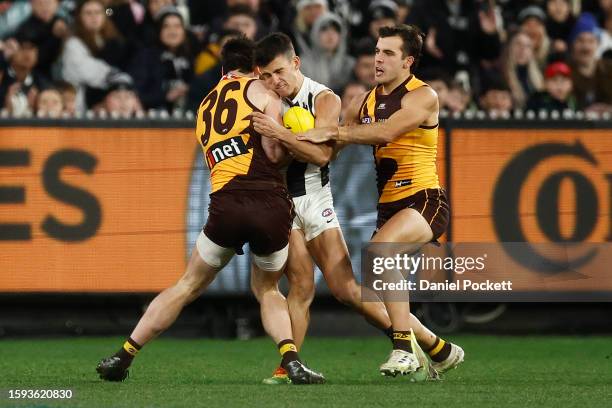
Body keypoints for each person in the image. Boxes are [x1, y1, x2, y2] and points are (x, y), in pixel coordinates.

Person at [96, 35, 325, 385]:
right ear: (256, 67)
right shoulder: (264, 92)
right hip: (268, 202)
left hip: (225, 205)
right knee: (267, 289)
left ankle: (124, 354)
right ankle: (290, 358)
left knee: (186, 285)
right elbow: (275, 155)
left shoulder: (203, 108)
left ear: (222, 68)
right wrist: (296, 138)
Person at [252, 29, 462, 382]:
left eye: (389, 53)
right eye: (378, 51)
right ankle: (437, 349)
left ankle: (403, 349)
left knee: (381, 252)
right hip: (389, 207)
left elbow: (384, 132)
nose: (379, 58)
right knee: (362, 296)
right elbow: (324, 154)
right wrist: (300, 141)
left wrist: (328, 132)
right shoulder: (362, 102)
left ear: (408, 61)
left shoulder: (423, 96)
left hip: (425, 198)